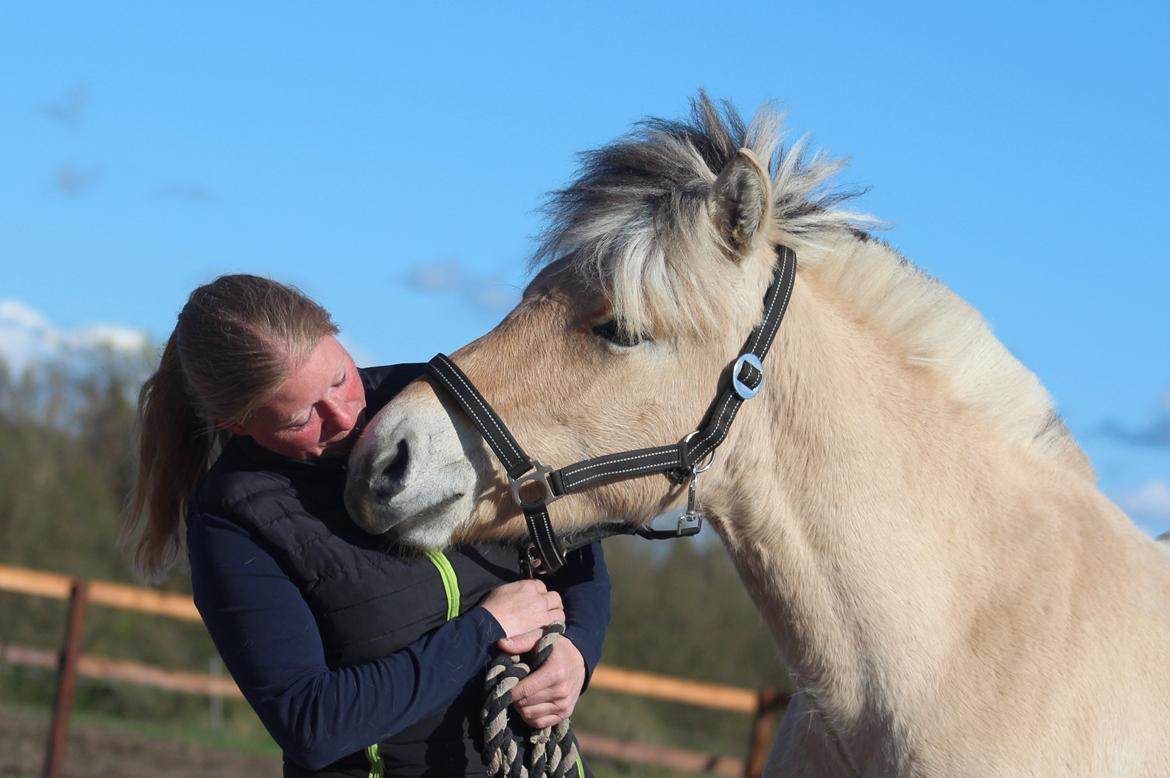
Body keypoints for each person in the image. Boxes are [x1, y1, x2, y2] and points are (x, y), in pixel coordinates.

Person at [124, 274, 610, 777]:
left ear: (335, 334)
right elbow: (313, 724)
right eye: (299, 418)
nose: (342, 417)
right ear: (236, 424)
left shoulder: (439, 406)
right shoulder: (233, 519)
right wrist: (485, 630)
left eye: (339, 378)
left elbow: (573, 546)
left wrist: (577, 650)